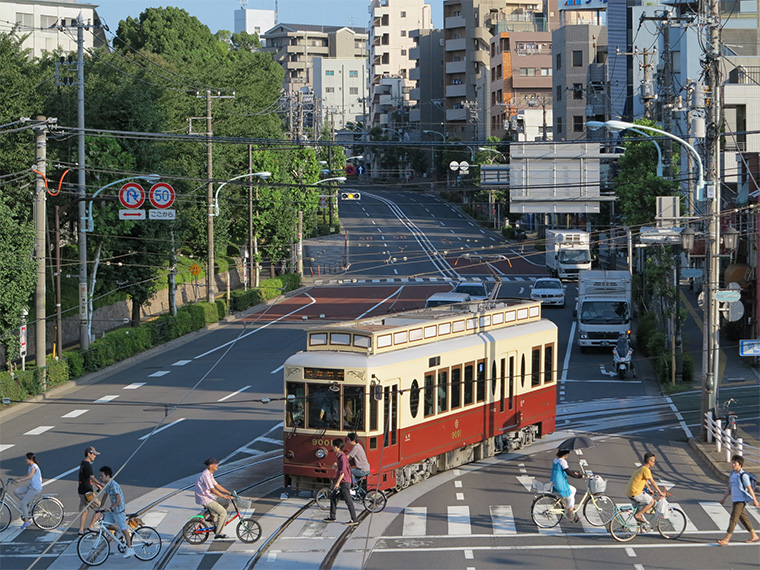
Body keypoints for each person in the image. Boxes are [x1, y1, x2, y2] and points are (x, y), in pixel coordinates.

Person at [718, 454, 759, 545]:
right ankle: (754, 536)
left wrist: (755, 500)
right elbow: (729, 488)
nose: (733, 465)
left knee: (734, 518)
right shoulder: (732, 474)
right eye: (732, 463)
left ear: (740, 464)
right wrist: (724, 498)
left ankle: (726, 539)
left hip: (741, 500)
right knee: (743, 518)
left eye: (735, 463)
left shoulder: (743, 475)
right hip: (735, 499)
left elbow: (749, 488)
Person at [99, 466, 134, 558]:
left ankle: (130, 549)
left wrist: (111, 507)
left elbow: (118, 500)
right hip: (113, 511)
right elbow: (104, 496)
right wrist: (100, 507)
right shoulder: (108, 485)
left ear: (107, 475)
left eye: (102, 476)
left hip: (118, 511)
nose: (100, 478)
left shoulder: (114, 485)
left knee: (124, 529)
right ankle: (119, 530)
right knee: (106, 524)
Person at [194, 458, 233, 540]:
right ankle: (218, 533)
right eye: (216, 464)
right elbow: (213, 490)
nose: (217, 466)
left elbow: (217, 485)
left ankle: (213, 517)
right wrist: (224, 496)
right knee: (223, 513)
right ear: (211, 466)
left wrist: (228, 492)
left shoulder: (209, 474)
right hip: (205, 499)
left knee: (225, 503)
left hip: (209, 496)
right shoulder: (205, 476)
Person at [325, 438, 358, 526]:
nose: (332, 447)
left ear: (337, 447)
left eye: (333, 446)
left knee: (348, 500)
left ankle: (354, 519)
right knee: (333, 497)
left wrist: (337, 483)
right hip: (343, 481)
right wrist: (337, 465)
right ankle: (332, 517)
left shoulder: (342, 457)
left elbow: (343, 472)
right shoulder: (340, 456)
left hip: (345, 482)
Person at [625, 452, 664, 523]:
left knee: (637, 511)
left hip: (629, 492)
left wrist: (649, 489)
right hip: (636, 492)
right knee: (651, 502)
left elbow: (644, 480)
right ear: (649, 461)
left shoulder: (640, 468)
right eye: (653, 461)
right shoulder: (646, 469)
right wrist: (660, 492)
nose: (654, 463)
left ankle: (642, 528)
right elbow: (652, 482)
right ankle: (639, 515)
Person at [11, 452, 42, 530]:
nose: (26, 460)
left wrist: (20, 480)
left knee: (23, 503)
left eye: (27, 458)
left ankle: (27, 521)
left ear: (30, 459)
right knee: (16, 491)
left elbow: (30, 476)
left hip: (35, 489)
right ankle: (27, 504)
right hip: (30, 486)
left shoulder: (34, 467)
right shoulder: (30, 466)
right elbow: (27, 475)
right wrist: (17, 478)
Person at [551, 449, 583, 522]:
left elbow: (565, 470)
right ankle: (571, 515)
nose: (567, 455)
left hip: (555, 481)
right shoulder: (563, 461)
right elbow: (568, 472)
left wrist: (573, 472)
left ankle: (567, 506)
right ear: (564, 454)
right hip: (560, 483)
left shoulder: (556, 460)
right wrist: (579, 476)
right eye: (567, 454)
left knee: (573, 490)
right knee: (570, 497)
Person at [78, 446, 104, 535]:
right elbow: (91, 477)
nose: (95, 456)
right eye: (93, 454)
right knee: (100, 508)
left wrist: (95, 483)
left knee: (84, 510)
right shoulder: (88, 465)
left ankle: (81, 530)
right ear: (89, 454)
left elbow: (85, 477)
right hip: (87, 492)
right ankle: (91, 527)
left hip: (81, 490)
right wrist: (100, 484)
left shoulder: (83, 463)